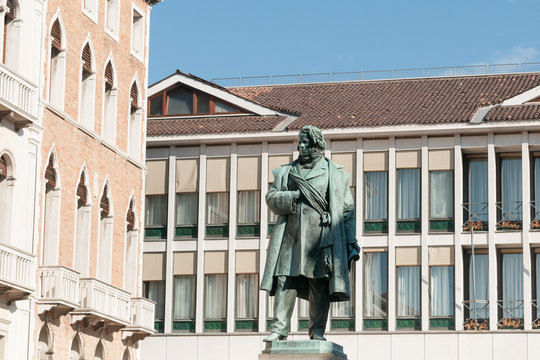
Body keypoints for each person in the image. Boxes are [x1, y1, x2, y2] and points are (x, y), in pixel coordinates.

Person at [262, 125, 360, 342]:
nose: (301, 146)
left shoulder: (334, 173)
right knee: (284, 281)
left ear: (317, 146)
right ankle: (279, 329)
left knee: (319, 283)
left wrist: (350, 242)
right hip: (291, 236)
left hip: (321, 237)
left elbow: (347, 210)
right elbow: (271, 198)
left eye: (306, 143)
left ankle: (317, 331)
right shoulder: (287, 171)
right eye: (300, 142)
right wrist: (293, 196)